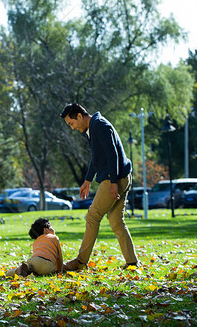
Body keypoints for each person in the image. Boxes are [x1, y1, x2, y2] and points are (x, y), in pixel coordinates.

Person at [60, 103, 138, 271]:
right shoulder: (93, 127)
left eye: (71, 123)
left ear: (79, 116)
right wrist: (87, 180)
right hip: (122, 176)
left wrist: (114, 183)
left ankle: (80, 262)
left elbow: (112, 154)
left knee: (93, 216)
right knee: (116, 221)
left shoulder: (100, 125)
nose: (72, 128)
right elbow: (97, 157)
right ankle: (132, 263)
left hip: (114, 178)